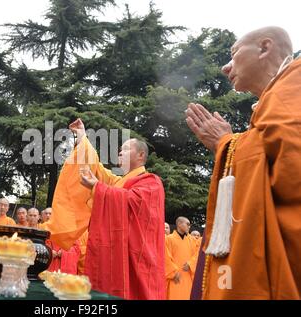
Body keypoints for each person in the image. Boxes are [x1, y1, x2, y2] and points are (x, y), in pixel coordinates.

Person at [186, 26, 300, 299]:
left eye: (234, 54)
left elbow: (292, 169)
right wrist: (234, 142)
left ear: (264, 48)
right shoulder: (275, 98)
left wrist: (227, 143)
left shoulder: (294, 85)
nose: (226, 68)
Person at [43, 118, 166, 300]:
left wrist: (98, 188)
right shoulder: (119, 182)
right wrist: (82, 137)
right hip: (115, 257)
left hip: (137, 259)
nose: (119, 153)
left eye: (124, 150)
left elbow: (129, 200)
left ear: (141, 156)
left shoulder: (151, 182)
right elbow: (96, 170)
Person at [165, 217, 198, 300]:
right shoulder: (168, 239)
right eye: (187, 224)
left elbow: (198, 254)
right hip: (175, 277)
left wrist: (190, 263)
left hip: (188, 277)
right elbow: (165, 257)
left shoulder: (193, 240)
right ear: (179, 224)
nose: (189, 226)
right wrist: (173, 272)